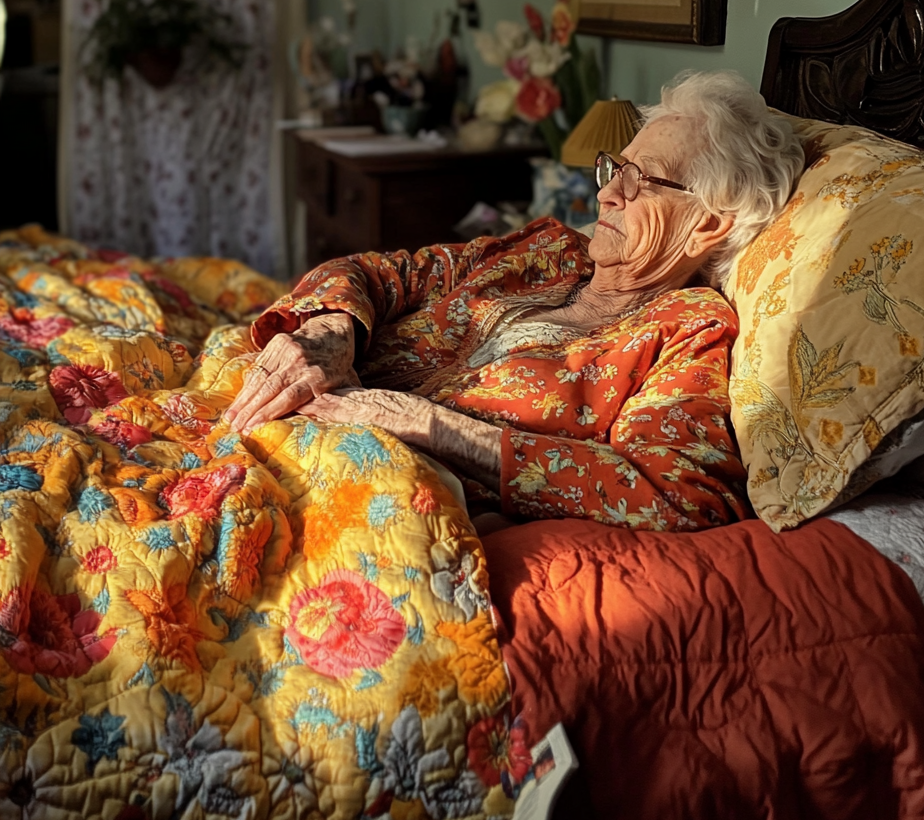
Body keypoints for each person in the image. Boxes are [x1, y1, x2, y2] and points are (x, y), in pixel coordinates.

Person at [224, 70, 804, 531]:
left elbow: (678, 495)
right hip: (260, 418)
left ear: (707, 223)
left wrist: (431, 427)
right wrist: (327, 331)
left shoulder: (687, 329)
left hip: (355, 497)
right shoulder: (547, 248)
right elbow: (377, 272)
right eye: (613, 168)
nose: (605, 191)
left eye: (639, 179)